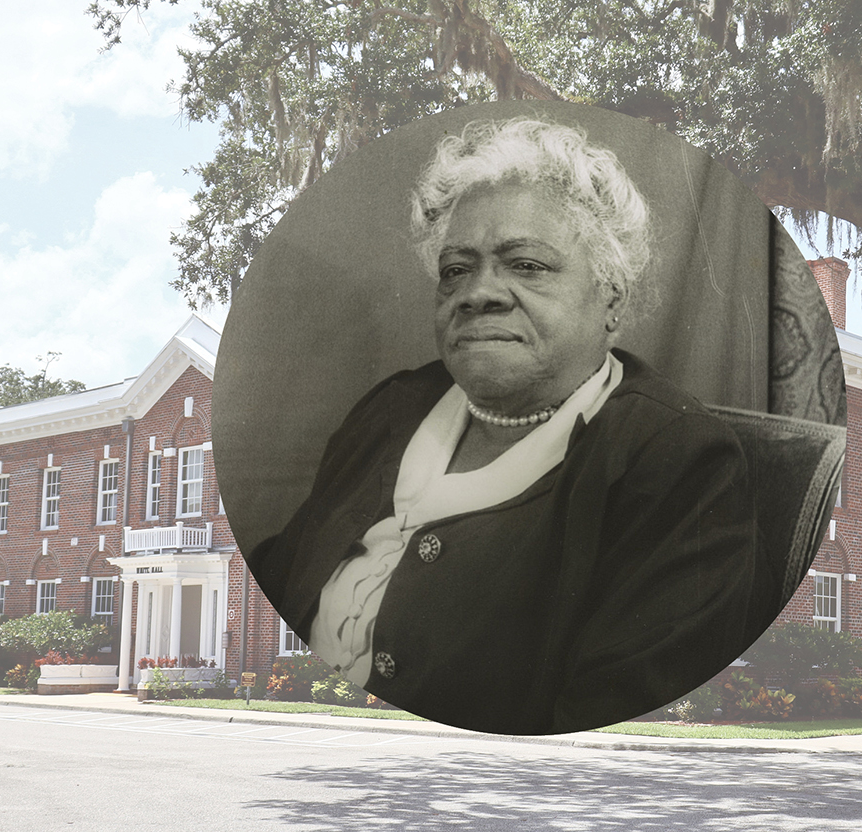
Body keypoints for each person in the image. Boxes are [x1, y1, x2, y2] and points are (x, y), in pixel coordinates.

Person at [246, 117, 759, 735]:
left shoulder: (676, 461)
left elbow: (616, 725)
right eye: (456, 270)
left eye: (528, 265)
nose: (479, 292)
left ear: (612, 300)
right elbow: (281, 579)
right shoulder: (394, 408)